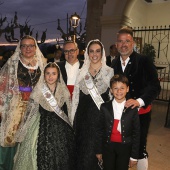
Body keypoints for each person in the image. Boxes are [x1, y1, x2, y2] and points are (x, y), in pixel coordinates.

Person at [112, 27, 161, 170]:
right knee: (122, 147)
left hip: (140, 113)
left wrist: (139, 101)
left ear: (133, 43)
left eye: (127, 41)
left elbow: (155, 86)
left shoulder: (144, 61)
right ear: (116, 45)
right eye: (120, 41)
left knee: (139, 149)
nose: (124, 44)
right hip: (119, 113)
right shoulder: (114, 63)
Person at [13, 63, 76, 170]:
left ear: (58, 75)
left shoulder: (63, 89)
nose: (50, 76)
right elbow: (31, 109)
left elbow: (69, 108)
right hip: (40, 122)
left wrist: (71, 124)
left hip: (60, 125)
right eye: (48, 73)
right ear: (44, 75)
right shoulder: (39, 88)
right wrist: (24, 128)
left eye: (53, 74)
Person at [0, 35, 46, 170]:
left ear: (35, 47)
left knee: (31, 142)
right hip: (15, 108)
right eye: (24, 46)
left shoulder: (42, 63)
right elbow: (3, 85)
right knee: (10, 139)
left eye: (31, 45)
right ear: (20, 48)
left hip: (36, 109)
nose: (28, 48)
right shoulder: (12, 63)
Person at [71, 39, 114, 170]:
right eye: (91, 51)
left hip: (100, 121)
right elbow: (76, 98)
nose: (94, 54)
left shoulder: (109, 71)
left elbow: (112, 98)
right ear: (87, 53)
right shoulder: (81, 72)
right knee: (83, 156)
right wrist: (73, 120)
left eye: (98, 51)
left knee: (98, 155)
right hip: (83, 120)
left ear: (102, 53)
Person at [96, 74, 140, 170]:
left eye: (122, 88)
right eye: (115, 88)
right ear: (111, 90)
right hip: (108, 147)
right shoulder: (104, 107)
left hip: (125, 148)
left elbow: (136, 133)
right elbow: (99, 130)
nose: (119, 91)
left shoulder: (132, 109)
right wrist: (99, 151)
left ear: (127, 89)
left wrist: (134, 156)